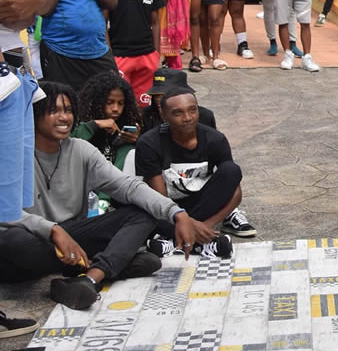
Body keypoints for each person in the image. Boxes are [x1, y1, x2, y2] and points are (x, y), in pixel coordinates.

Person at [0, 82, 210, 310]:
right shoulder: (12, 153)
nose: (64, 117)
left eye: (68, 110)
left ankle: (89, 277)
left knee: (142, 212)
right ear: (34, 114)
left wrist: (176, 212)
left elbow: (128, 187)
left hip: (73, 235)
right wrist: (52, 230)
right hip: (30, 244)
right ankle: (111, 262)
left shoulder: (81, 150)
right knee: (15, 241)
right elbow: (5, 212)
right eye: (54, 111)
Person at [135, 85, 254, 248]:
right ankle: (186, 237)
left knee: (231, 170)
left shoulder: (215, 139)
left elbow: (236, 192)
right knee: (141, 217)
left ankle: (179, 237)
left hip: (203, 204)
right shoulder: (149, 143)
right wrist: (186, 222)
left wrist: (206, 225)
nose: (187, 118)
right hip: (168, 209)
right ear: (163, 116)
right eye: (178, 113)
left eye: (192, 110)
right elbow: (159, 200)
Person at [104, 0, 163, 102]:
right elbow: (103, 24)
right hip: (119, 55)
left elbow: (155, 22)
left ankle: (143, 128)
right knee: (121, 99)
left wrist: (156, 53)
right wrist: (109, 55)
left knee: (145, 101)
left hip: (147, 55)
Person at [70, 70, 141, 171]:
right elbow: (66, 143)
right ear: (96, 102)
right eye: (109, 102)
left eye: (120, 103)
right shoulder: (78, 122)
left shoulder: (124, 127)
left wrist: (135, 141)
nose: (116, 108)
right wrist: (94, 125)